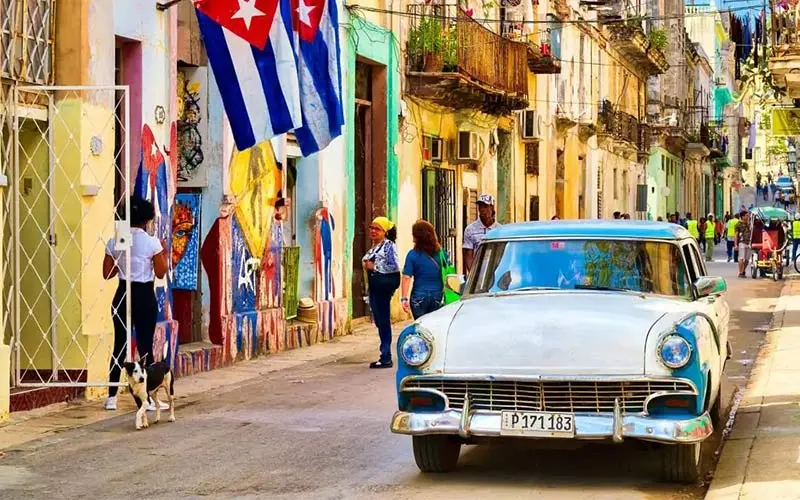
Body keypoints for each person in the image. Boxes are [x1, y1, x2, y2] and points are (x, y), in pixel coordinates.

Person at [103, 196, 169, 411]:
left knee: (119, 345)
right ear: (147, 219)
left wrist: (121, 258)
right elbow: (160, 273)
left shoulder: (115, 241)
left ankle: (111, 397)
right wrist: (163, 253)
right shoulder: (152, 243)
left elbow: (107, 273)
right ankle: (147, 399)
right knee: (145, 347)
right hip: (144, 294)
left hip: (122, 292)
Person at [363, 216, 401, 368]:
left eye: (377, 229)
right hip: (376, 287)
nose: (373, 231)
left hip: (383, 286)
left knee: (383, 321)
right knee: (380, 321)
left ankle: (386, 356)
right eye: (371, 228)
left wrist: (375, 267)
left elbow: (394, 266)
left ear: (384, 231)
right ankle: (384, 354)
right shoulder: (375, 247)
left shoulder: (388, 246)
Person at [400, 220, 449, 320]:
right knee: (435, 325)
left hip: (419, 296)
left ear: (416, 237)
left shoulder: (412, 255)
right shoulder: (442, 253)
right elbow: (449, 273)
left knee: (420, 326)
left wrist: (404, 298)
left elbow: (406, 277)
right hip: (438, 295)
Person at [463, 194, 501, 274]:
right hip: (478, 272)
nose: (483, 210)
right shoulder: (470, 230)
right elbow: (468, 255)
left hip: (496, 271)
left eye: (486, 206)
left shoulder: (500, 230)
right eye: (480, 207)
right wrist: (473, 274)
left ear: (492, 208)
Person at [735, 211, 752, 278]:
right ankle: (740, 272)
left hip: (749, 243)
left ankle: (743, 270)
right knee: (741, 258)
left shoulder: (749, 224)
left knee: (747, 259)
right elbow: (736, 235)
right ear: (742, 217)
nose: (748, 217)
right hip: (742, 242)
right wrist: (736, 244)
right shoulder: (738, 224)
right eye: (746, 215)